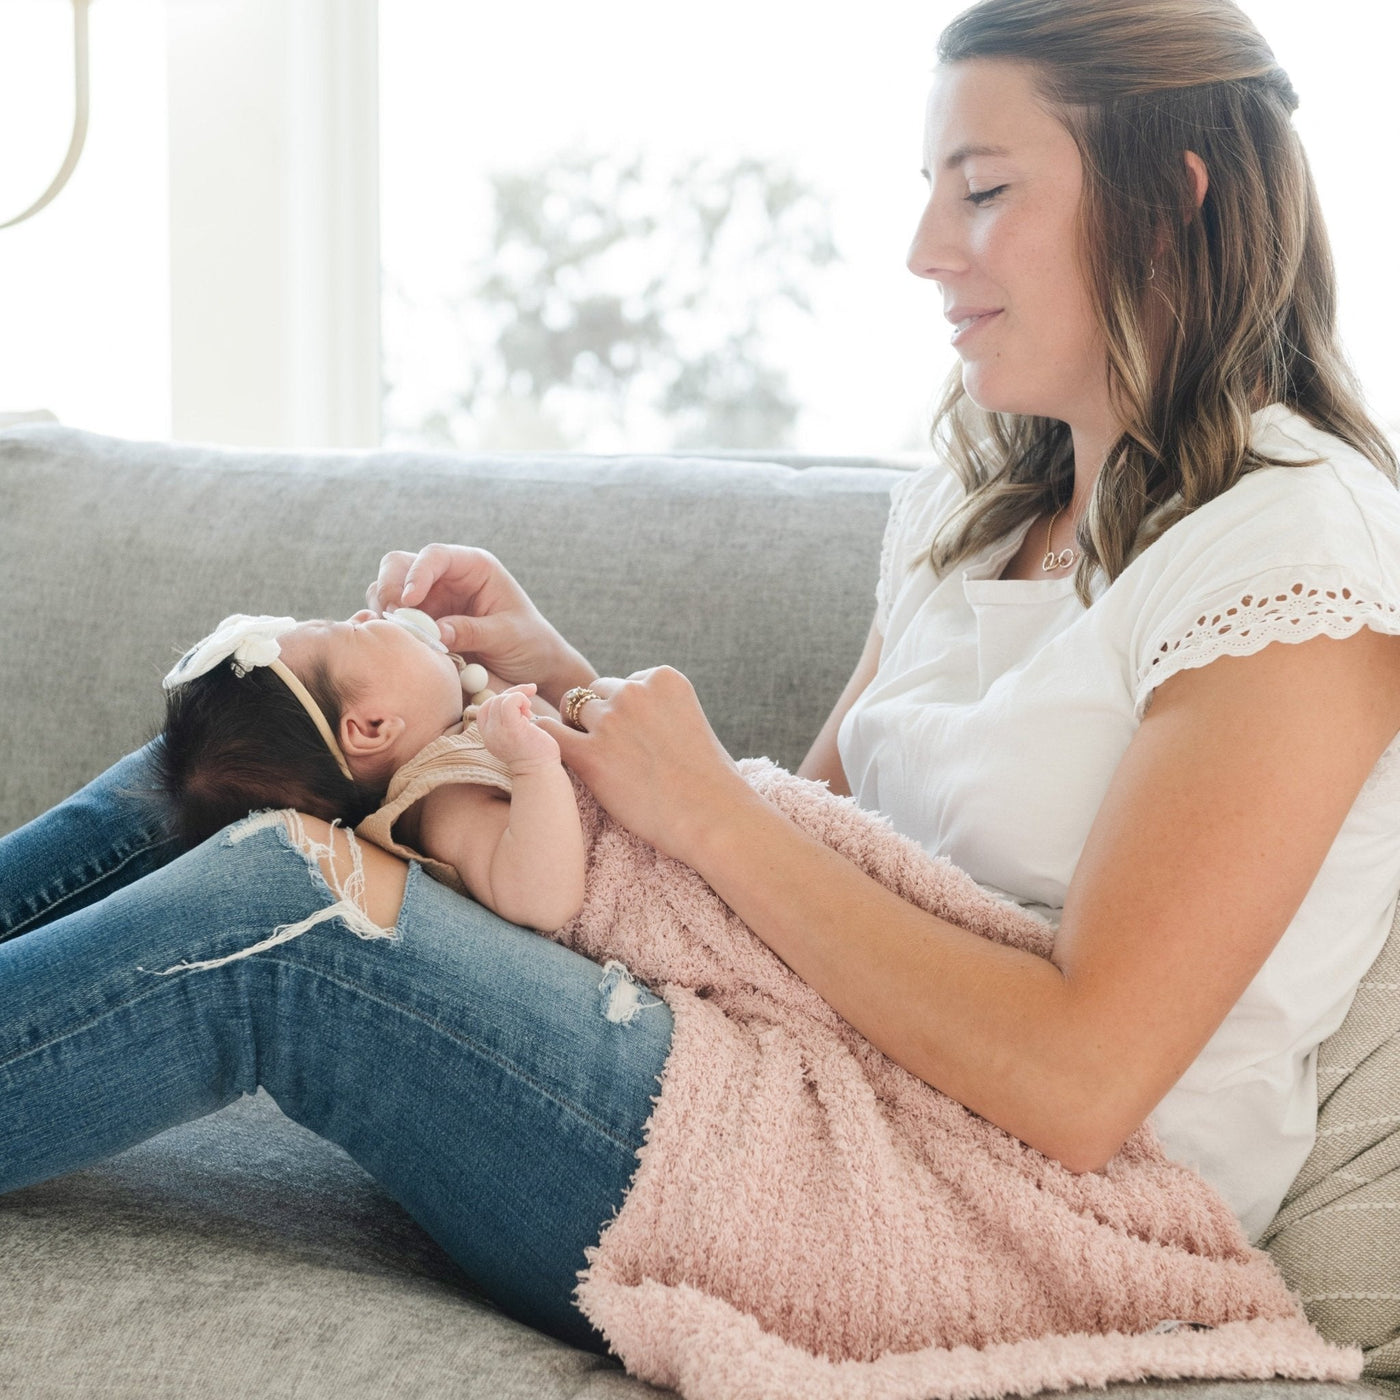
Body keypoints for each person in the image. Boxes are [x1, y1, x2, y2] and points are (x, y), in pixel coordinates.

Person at [4, 0, 1400, 1358]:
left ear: (1170, 203)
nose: (923, 249)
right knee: (250, 731)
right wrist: (565, 701)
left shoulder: (1292, 559)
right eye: (930, 189)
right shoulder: (977, 509)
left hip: (1001, 1205)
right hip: (798, 1076)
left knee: (287, 907)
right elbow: (813, 869)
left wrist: (706, 811)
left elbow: (1084, 1083)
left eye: (982, 192)